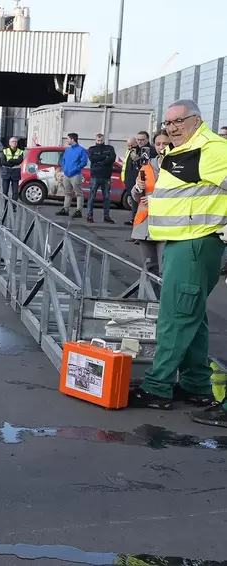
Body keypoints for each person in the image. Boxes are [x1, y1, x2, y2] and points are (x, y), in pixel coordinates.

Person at [128, 100, 227, 423]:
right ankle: (196, 384)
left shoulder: (211, 149)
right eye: (167, 123)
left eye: (178, 122)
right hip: (183, 242)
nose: (171, 128)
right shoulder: (183, 149)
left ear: (197, 120)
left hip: (195, 243)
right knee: (193, 316)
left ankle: (158, 388)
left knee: (174, 316)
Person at [129, 130, 170, 280]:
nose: (161, 147)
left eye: (165, 143)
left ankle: (163, 302)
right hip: (145, 224)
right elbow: (136, 195)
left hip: (166, 224)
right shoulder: (147, 166)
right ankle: (152, 301)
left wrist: (155, 200)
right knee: (148, 269)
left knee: (165, 269)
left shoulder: (177, 167)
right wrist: (139, 188)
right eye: (158, 144)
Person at [85, 133, 116, 223]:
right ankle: (89, 215)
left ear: (104, 140)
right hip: (95, 175)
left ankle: (106, 216)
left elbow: (112, 158)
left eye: (101, 140)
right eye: (98, 140)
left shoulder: (109, 148)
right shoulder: (91, 149)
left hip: (106, 176)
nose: (100, 142)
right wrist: (104, 157)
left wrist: (100, 161)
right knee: (92, 196)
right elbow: (92, 159)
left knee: (106, 197)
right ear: (95, 140)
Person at [56, 132, 88, 218]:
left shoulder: (81, 150)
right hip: (67, 174)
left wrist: (76, 169)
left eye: (68, 139)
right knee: (67, 192)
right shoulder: (68, 150)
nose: (67, 140)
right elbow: (64, 160)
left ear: (72, 139)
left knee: (78, 193)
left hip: (76, 174)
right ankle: (65, 209)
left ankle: (79, 210)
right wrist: (64, 169)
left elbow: (84, 162)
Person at [0, 137, 24, 201]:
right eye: (13, 141)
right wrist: (13, 163)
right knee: (5, 192)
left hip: (15, 173)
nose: (14, 143)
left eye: (16, 141)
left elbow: (19, 161)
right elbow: (3, 162)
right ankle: (5, 208)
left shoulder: (20, 151)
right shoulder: (5, 151)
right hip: (6, 173)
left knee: (15, 192)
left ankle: (14, 207)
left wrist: (10, 160)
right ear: (9, 143)